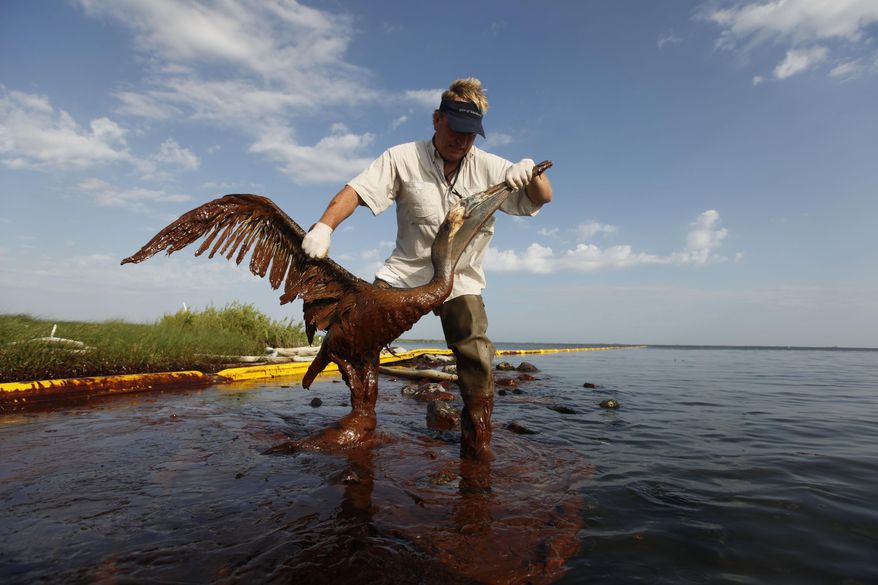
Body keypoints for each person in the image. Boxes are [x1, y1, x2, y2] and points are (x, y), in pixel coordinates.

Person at [301, 78, 552, 460]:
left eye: (471, 134)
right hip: (405, 272)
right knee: (355, 332)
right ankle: (362, 418)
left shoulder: (493, 168)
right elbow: (356, 190)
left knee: (476, 351)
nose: (462, 141)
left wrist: (531, 174)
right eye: (456, 129)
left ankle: (478, 439)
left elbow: (542, 197)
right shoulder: (402, 158)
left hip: (460, 276)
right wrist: (324, 226)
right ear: (437, 119)